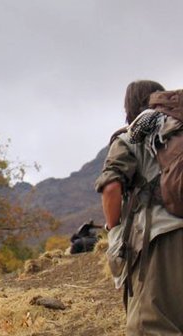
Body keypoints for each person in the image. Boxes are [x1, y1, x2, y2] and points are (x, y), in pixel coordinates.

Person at [96, 80, 183, 334]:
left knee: (151, 327)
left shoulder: (129, 138)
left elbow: (111, 187)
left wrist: (113, 231)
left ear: (128, 108)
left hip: (158, 244)